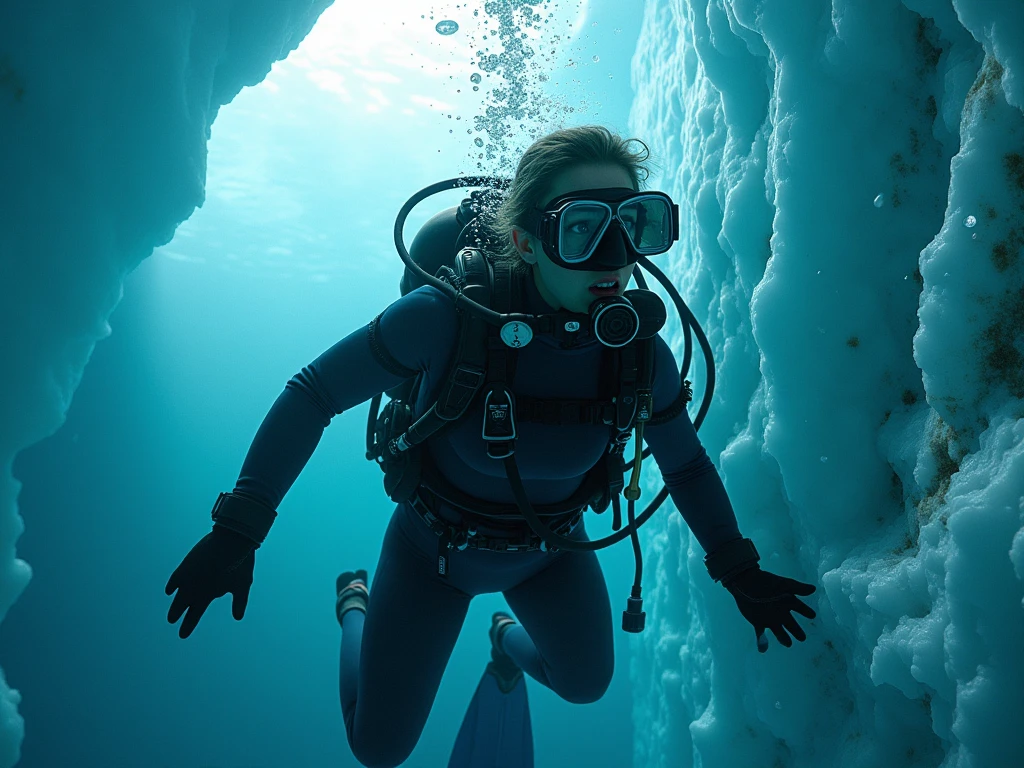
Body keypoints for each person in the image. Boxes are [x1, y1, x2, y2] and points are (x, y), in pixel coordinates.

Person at [164, 126, 817, 768]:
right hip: (431, 557)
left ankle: (507, 638)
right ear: (524, 241)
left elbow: (686, 463)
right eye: (583, 228)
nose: (615, 255)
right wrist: (238, 528)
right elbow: (315, 393)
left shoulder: (639, 359)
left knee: (586, 685)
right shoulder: (443, 318)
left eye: (635, 224)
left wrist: (738, 569)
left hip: (549, 556)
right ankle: (353, 603)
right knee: (377, 748)